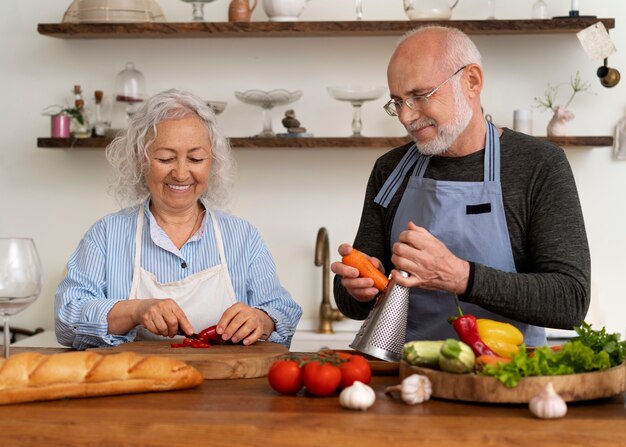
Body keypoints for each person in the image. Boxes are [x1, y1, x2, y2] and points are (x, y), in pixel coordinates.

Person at [331, 26, 591, 346]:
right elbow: (351, 303)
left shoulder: (540, 165)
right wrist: (357, 288)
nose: (406, 116)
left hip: (507, 378)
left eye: (420, 96)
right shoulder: (390, 170)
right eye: (397, 102)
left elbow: (571, 301)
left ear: (471, 81)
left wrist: (461, 277)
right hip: (407, 373)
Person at [55, 89, 302, 350]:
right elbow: (65, 321)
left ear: (212, 162)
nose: (182, 173)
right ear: (141, 160)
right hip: (135, 385)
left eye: (196, 158)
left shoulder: (242, 237)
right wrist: (134, 311)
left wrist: (262, 320)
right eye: (166, 158)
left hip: (225, 386)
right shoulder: (106, 234)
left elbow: (283, 312)